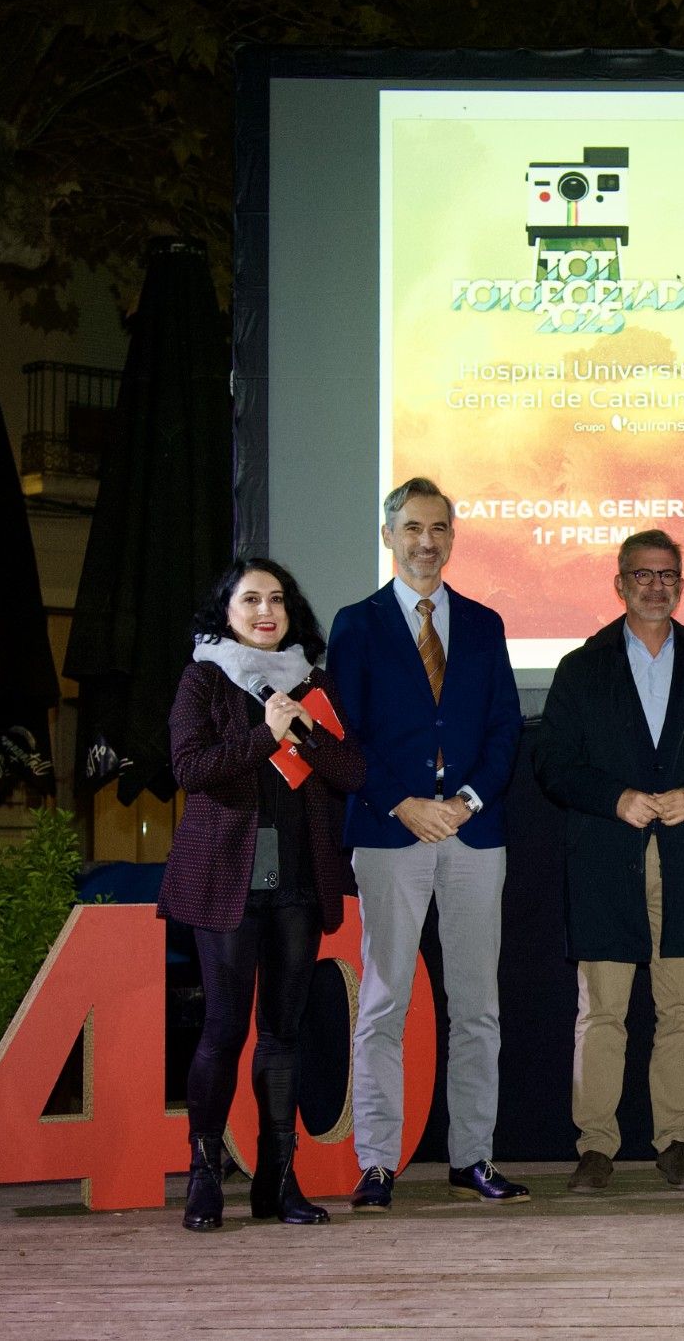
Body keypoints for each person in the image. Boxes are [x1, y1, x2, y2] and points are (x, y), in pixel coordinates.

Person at [327, 476, 527, 1209]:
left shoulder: (484, 623)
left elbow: (505, 728)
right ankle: (377, 1162)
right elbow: (343, 736)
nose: (426, 542)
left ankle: (472, 1158)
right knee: (385, 1002)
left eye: (438, 528)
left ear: (452, 537)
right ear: (388, 536)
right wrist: (403, 803)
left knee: (477, 1007)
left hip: (475, 833)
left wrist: (466, 802)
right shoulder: (356, 624)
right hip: (389, 831)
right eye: (412, 528)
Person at [533, 530, 684, 1193]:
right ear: (620, 583)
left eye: (668, 575)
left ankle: (676, 1141)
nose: (657, 586)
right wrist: (615, 798)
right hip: (606, 860)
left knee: (682, 1008)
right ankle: (596, 1147)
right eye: (643, 575)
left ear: (680, 583)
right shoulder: (581, 667)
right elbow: (552, 763)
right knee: (602, 1011)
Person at [162, 558, 365, 1231]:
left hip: (299, 881)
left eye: (276, 599)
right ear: (226, 612)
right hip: (226, 879)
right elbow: (191, 769)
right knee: (223, 1029)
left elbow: (352, 771)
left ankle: (278, 1181)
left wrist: (303, 731)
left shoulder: (312, 682)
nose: (265, 611)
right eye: (250, 600)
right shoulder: (204, 677)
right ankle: (204, 1176)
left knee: (283, 1033)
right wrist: (264, 734)